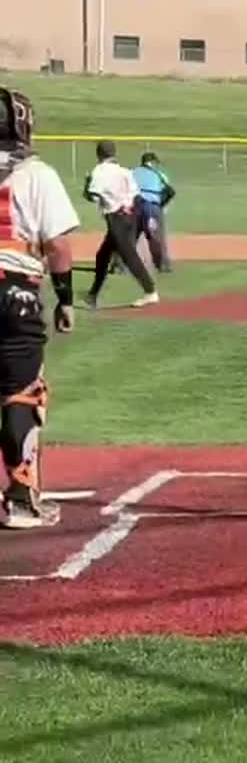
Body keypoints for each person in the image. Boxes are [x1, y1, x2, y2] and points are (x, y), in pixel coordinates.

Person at [0, 88, 81, 529]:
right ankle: (19, 498)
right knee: (21, 391)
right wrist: (65, 299)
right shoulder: (36, 174)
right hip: (15, 292)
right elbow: (59, 246)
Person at [81, 140, 158, 311]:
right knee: (103, 255)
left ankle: (150, 291)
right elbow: (136, 196)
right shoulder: (124, 171)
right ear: (114, 154)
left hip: (116, 218)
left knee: (129, 255)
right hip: (131, 214)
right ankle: (92, 295)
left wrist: (87, 182)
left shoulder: (99, 171)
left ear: (98, 154)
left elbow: (91, 196)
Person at [130, 152, 176, 274]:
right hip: (152, 208)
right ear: (152, 162)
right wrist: (161, 208)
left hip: (134, 207)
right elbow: (169, 191)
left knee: (127, 238)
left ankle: (120, 266)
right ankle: (162, 265)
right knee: (157, 238)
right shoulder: (159, 175)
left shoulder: (132, 172)